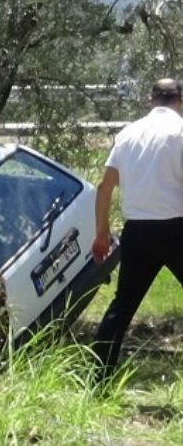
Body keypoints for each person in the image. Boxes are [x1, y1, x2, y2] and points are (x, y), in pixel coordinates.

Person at [91, 78, 183, 381]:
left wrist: (101, 233)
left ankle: (98, 378)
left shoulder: (128, 134)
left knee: (122, 306)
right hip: (176, 227)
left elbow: (105, 187)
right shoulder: (180, 131)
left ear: (151, 100)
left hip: (138, 232)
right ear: (179, 100)